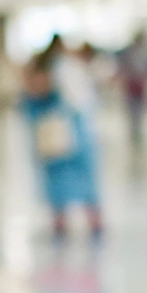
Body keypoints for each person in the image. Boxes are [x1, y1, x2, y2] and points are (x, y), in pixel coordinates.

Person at [20, 53, 104, 241]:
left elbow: (81, 107)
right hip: (51, 150)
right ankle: (59, 220)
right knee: (55, 184)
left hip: (75, 144)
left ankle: (94, 218)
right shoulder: (34, 101)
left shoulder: (66, 92)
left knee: (85, 182)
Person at [118, 30, 147, 145]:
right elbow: (124, 67)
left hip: (141, 85)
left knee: (140, 110)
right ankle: (134, 131)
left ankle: (138, 131)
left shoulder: (146, 53)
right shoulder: (129, 52)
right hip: (131, 85)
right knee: (132, 110)